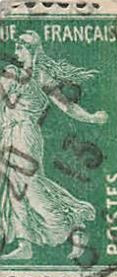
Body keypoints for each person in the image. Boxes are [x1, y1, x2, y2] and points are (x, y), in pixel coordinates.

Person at [0, 33, 107, 261]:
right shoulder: (12, 73)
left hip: (25, 134)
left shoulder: (41, 76)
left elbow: (67, 106)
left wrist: (91, 118)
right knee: (14, 187)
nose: (16, 53)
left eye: (20, 48)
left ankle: (73, 220)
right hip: (8, 133)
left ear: (31, 50)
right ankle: (25, 243)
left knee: (31, 185)